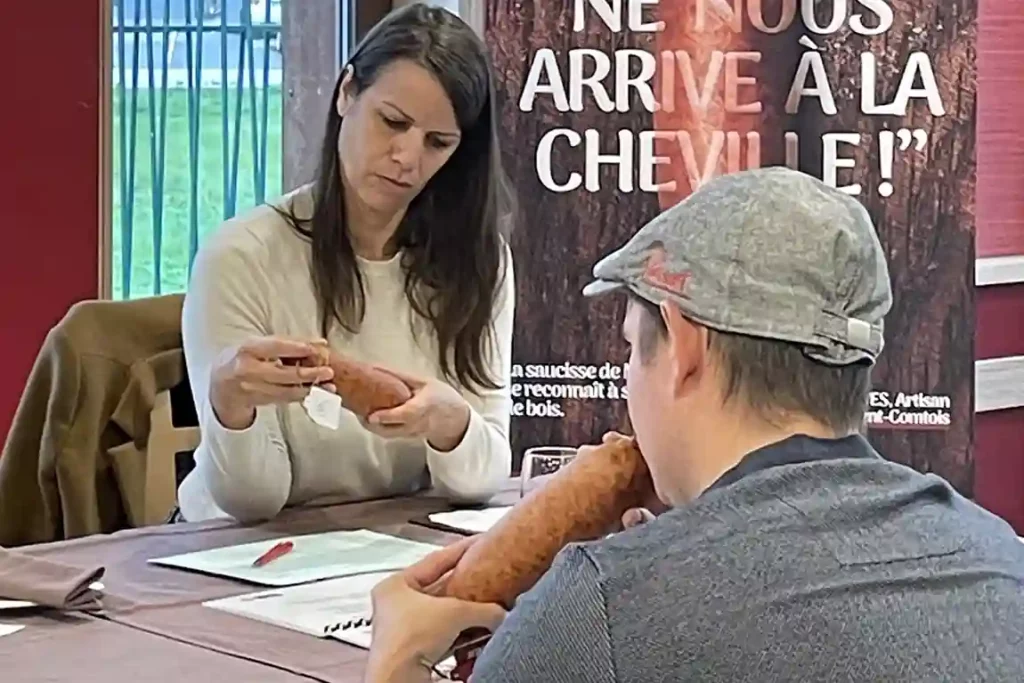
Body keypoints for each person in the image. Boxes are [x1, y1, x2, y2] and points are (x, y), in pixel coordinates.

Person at [363, 167, 1024, 682]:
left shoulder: (597, 610)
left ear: (681, 346)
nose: (628, 375)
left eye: (629, 346)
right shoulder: (1003, 559)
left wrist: (394, 666)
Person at [177, 3, 515, 523]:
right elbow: (251, 502)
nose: (407, 157)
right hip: (241, 552)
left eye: (437, 143)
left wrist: (452, 424)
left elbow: (483, 479)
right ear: (346, 92)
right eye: (392, 122)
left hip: (389, 546)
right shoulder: (241, 257)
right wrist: (230, 405)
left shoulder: (478, 261)